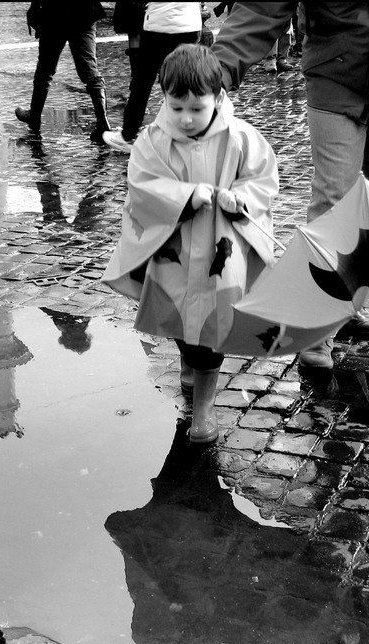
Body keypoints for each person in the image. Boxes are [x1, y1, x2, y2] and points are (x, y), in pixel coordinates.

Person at [210, 2, 369, 370]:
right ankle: (316, 326)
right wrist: (216, 72)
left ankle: (348, 303)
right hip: (337, 66)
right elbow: (264, 5)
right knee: (334, 201)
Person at [102, 44, 279, 443]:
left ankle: (203, 407)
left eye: (196, 109)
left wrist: (242, 199)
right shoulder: (152, 140)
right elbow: (142, 185)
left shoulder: (241, 137)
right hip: (176, 252)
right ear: (164, 98)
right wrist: (182, 196)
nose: (185, 119)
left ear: (217, 98)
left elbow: (263, 178)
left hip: (222, 251)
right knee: (181, 316)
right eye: (176, 107)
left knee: (213, 324)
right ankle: (187, 356)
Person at [102, 2, 203, 153]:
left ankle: (127, 134)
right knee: (185, 80)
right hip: (190, 24)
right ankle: (191, 132)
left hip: (160, 25)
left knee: (142, 82)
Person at [15, 1, 111, 142]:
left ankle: (34, 116)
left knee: (45, 69)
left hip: (55, 14)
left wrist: (34, 8)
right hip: (84, 12)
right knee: (89, 69)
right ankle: (103, 121)